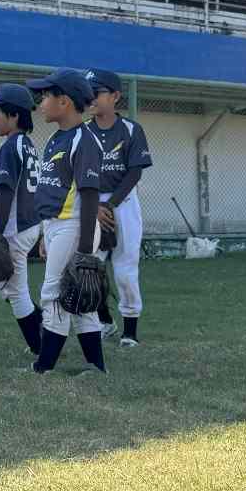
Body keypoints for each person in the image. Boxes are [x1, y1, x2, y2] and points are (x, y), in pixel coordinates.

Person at [27, 69, 111, 374]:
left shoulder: (83, 140)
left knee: (52, 294)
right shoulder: (55, 138)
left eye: (46, 96)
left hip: (75, 225)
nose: (41, 101)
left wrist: (86, 250)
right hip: (55, 225)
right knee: (80, 297)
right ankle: (95, 366)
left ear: (63, 101)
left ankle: (44, 365)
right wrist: (42, 235)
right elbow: (50, 191)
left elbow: (89, 196)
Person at [0, 81, 44, 365]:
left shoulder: (10, 147)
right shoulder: (27, 144)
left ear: (14, 115)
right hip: (28, 224)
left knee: (15, 292)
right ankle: (41, 328)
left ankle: (41, 345)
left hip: (15, 227)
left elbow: (5, 190)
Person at [84, 69, 153, 347]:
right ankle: (104, 321)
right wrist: (94, 206)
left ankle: (130, 331)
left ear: (115, 96)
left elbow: (135, 172)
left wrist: (109, 205)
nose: (92, 98)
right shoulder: (83, 131)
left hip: (122, 202)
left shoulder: (131, 130)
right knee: (90, 267)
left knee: (125, 268)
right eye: (88, 93)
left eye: (97, 92)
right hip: (90, 202)